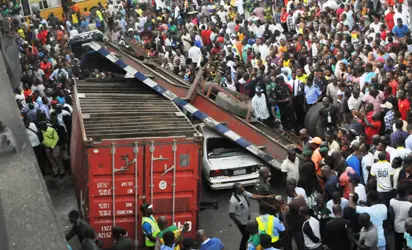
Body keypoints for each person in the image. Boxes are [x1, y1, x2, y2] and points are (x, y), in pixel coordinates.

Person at [230, 183, 275, 250]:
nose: (243, 189)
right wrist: (240, 224)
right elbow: (231, 214)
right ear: (237, 191)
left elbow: (253, 196)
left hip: (247, 219)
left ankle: (255, 245)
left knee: (248, 234)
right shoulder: (233, 201)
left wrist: (266, 197)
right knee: (246, 236)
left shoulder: (243, 193)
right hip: (242, 223)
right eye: (241, 188)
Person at [349, 185, 387, 250]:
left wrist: (351, 192)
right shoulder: (384, 207)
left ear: (370, 199)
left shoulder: (367, 210)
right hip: (382, 240)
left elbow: (351, 205)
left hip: (371, 241)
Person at [390, 181, 412, 250]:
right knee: (407, 244)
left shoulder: (392, 201)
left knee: (397, 244)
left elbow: (391, 215)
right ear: (407, 192)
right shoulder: (410, 205)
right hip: (408, 229)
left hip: (397, 226)